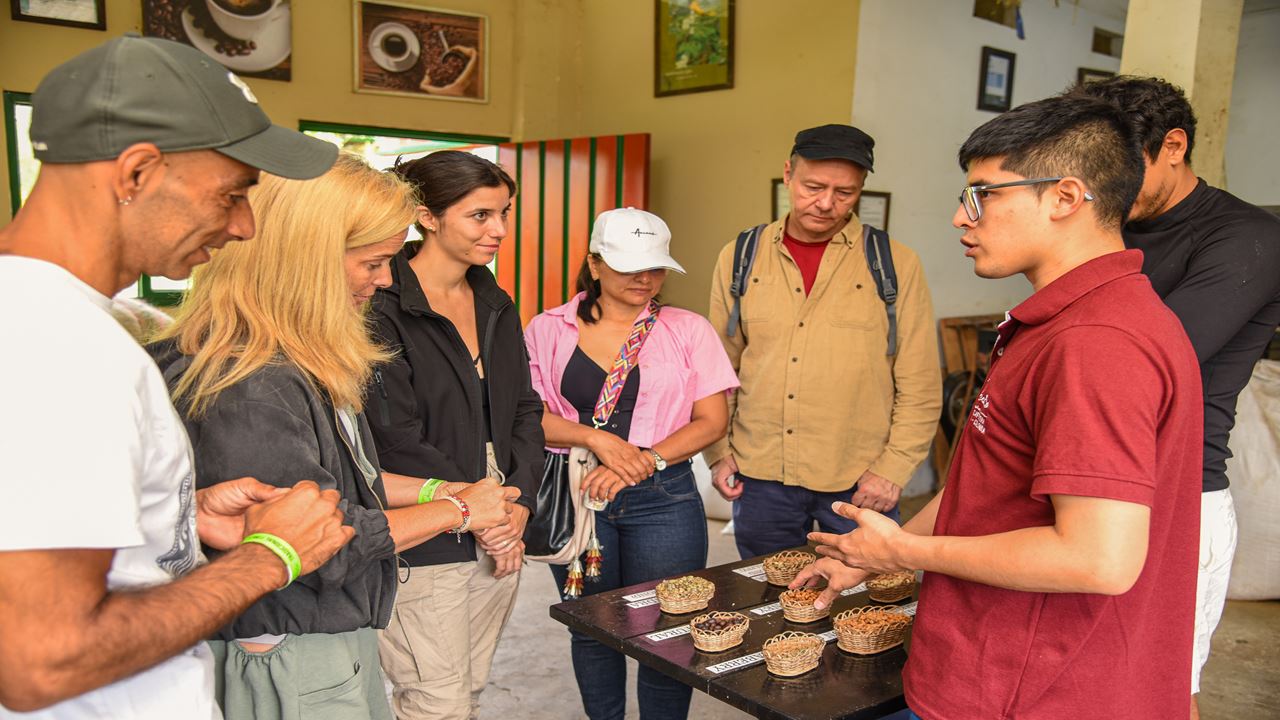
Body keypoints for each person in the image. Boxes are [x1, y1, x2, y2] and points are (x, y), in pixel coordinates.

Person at [795, 95, 1204, 719]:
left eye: (984, 194)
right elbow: (985, 488)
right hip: (995, 665)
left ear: (1065, 197)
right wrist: (879, 550)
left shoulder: (1095, 343)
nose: (962, 217)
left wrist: (903, 553)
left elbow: (1098, 558)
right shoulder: (1068, 320)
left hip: (1032, 687)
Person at [0, 35, 353, 717]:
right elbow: (42, 657)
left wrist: (175, 526)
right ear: (136, 174)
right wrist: (271, 556)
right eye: (231, 194)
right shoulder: (63, 344)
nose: (246, 226)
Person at [149, 153, 521, 719]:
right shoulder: (253, 386)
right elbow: (319, 546)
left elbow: (348, 489)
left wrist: (439, 494)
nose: (386, 280)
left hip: (323, 635)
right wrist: (459, 512)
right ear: (304, 262)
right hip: (292, 641)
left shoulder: (289, 363)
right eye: (373, 262)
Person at [1071, 75, 1280, 719]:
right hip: (1082, 480)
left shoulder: (1246, 237)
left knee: (1158, 696)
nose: (1103, 185)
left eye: (1118, 167)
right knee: (1078, 683)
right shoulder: (1104, 224)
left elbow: (1144, 359)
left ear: (1174, 146)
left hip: (1177, 493)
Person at [524, 207, 739, 720]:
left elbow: (711, 421)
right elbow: (528, 417)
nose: (645, 280)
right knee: (593, 627)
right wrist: (598, 441)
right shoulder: (547, 329)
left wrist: (641, 460)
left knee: (668, 632)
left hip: (664, 499)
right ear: (594, 264)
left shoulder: (688, 330)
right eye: (629, 267)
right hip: (578, 496)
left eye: (656, 267)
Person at [706, 124, 941, 559]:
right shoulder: (739, 256)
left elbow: (920, 385)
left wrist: (892, 470)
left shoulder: (895, 264)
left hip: (859, 479)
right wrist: (718, 452)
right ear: (789, 174)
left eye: (845, 193)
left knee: (867, 609)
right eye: (813, 186)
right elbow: (718, 370)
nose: (826, 203)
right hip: (760, 475)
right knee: (768, 599)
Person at [365, 151, 544, 720]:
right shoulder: (380, 306)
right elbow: (393, 436)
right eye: (480, 215)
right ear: (428, 216)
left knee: (465, 691)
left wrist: (518, 503)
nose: (499, 230)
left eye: (504, 213)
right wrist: (478, 508)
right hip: (429, 532)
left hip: (502, 521)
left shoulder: (494, 300)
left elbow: (523, 409)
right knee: (434, 703)